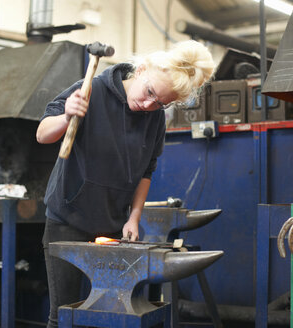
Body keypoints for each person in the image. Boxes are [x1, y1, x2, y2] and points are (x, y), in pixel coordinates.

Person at [36, 39, 215, 327]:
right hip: (67, 220)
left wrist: (134, 218)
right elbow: (43, 134)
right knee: (62, 317)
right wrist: (66, 115)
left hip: (111, 226)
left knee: (107, 315)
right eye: (149, 93)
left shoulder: (154, 118)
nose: (147, 105)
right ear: (141, 69)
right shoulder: (90, 90)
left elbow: (147, 171)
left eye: (160, 103)